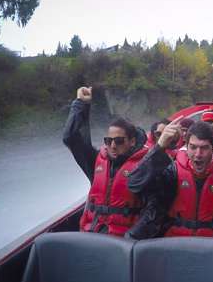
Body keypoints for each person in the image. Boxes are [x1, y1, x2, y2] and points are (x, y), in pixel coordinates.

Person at [63, 86, 157, 238]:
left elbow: (154, 211)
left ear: (132, 141)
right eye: (108, 140)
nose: (113, 145)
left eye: (119, 141)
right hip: (90, 236)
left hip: (122, 244)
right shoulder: (96, 161)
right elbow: (71, 138)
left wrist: (132, 239)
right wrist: (80, 104)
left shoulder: (145, 166)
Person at [128, 120, 213, 238]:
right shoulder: (173, 171)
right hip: (174, 243)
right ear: (186, 147)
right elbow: (134, 183)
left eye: (204, 148)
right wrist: (159, 146)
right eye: (193, 147)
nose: (198, 154)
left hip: (210, 246)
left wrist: (210, 248)